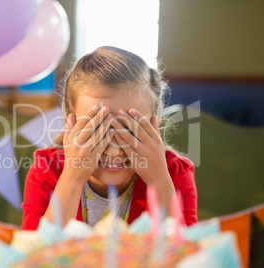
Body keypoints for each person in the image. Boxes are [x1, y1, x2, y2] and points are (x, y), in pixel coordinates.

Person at [21, 46, 197, 230]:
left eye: (129, 130)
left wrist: (159, 181)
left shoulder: (174, 174)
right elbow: (35, 254)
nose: (113, 152)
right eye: (97, 129)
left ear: (154, 127)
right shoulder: (47, 171)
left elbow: (183, 254)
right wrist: (72, 179)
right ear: (70, 128)